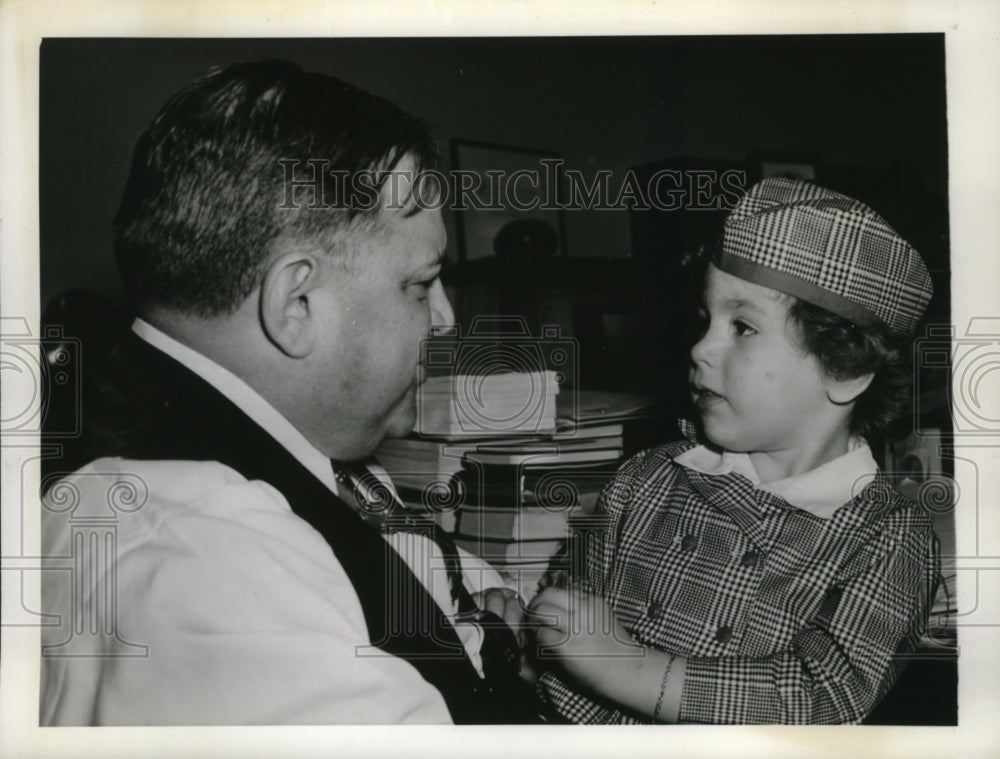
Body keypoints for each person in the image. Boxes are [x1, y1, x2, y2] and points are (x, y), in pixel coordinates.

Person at [39, 60, 534, 725]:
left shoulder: (276, 450)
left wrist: (490, 638)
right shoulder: (215, 573)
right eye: (420, 284)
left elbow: (432, 572)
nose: (443, 316)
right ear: (296, 302)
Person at [529, 178, 940, 724]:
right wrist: (534, 632)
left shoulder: (889, 536)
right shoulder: (647, 478)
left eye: (742, 327)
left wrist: (624, 666)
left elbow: (822, 698)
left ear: (846, 369)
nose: (701, 348)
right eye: (707, 319)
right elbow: (575, 595)